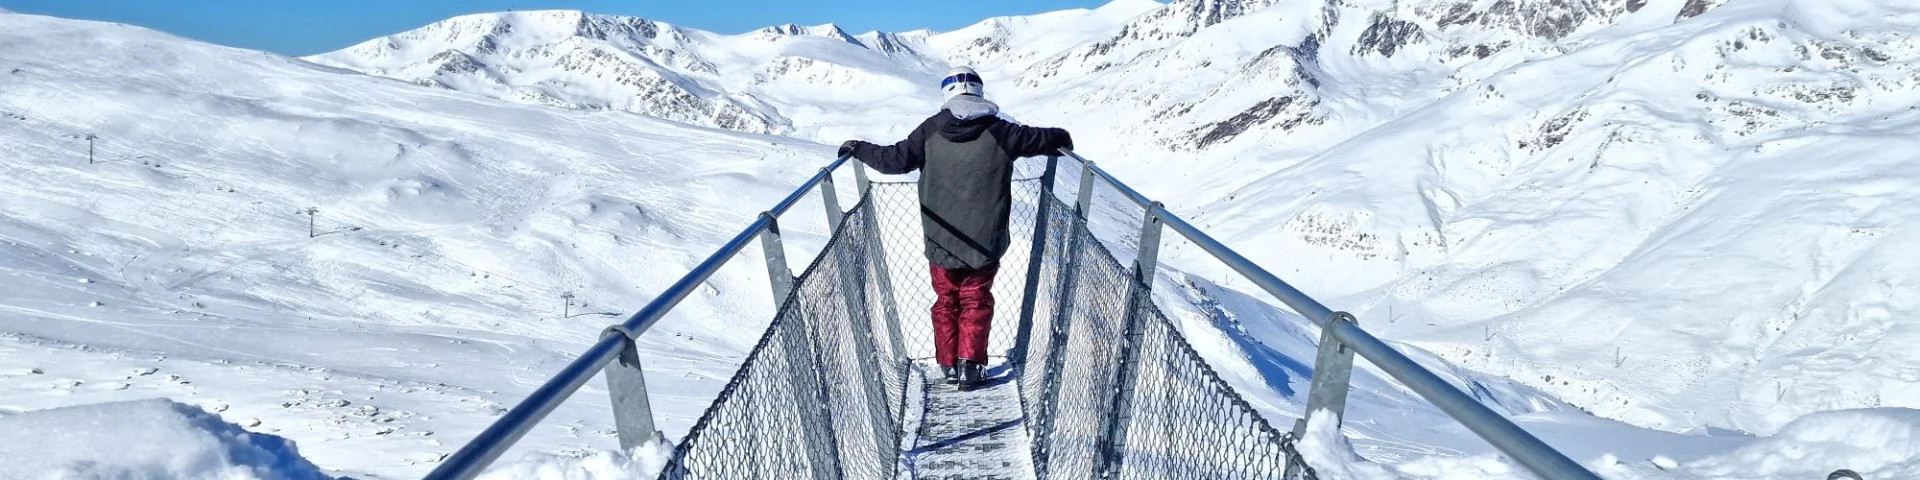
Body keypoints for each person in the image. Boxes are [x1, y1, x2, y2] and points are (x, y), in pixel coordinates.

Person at [838, 66, 1074, 390]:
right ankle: (971, 365)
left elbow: (894, 160)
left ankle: (949, 364)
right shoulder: (1002, 131)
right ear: (979, 92)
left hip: (941, 238)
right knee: (976, 298)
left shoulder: (931, 130)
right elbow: (1044, 139)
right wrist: (1062, 138)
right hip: (985, 238)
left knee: (946, 299)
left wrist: (859, 147)